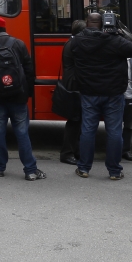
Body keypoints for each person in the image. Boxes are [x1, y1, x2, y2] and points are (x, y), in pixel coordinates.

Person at [71, 12, 132, 180]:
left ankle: (84, 168)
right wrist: (119, 30)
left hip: (89, 92)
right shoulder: (115, 40)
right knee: (114, 131)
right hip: (113, 93)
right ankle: (114, 171)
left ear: (87, 22)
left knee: (88, 130)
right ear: (103, 23)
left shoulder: (77, 41)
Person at [0, 16, 45, 181]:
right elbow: (29, 71)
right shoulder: (19, 44)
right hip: (18, 97)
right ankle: (30, 170)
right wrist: (26, 93)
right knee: (22, 133)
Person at [59, 19, 86, 164]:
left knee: (77, 120)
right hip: (74, 84)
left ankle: (76, 151)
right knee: (75, 120)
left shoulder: (70, 43)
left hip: (70, 82)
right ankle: (67, 153)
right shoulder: (75, 45)